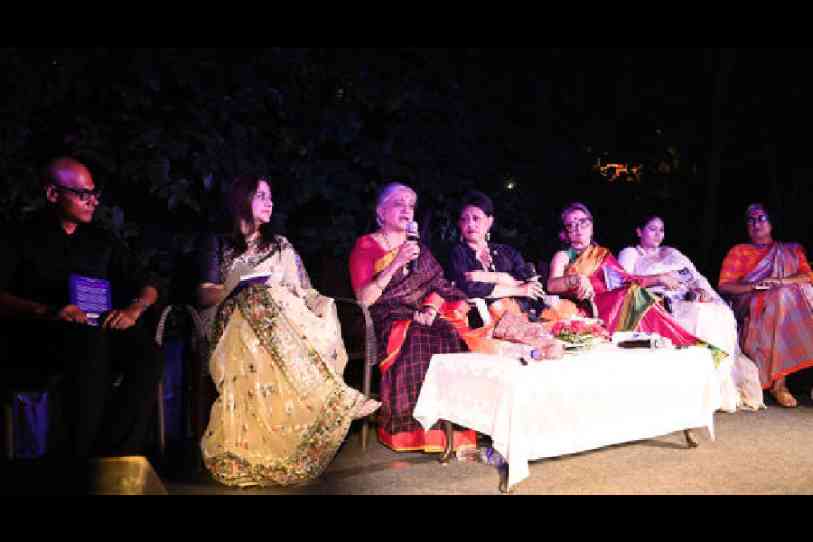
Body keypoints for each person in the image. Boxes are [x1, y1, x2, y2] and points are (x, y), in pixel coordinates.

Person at [197, 176, 379, 487]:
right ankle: (330, 392)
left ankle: (323, 394)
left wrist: (319, 303)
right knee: (256, 296)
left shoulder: (281, 245)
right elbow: (204, 295)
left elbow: (303, 291)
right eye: (261, 196)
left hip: (281, 322)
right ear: (242, 199)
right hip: (231, 323)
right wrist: (234, 285)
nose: (269, 203)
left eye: (270, 196)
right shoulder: (218, 243)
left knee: (273, 297)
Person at [0, 157, 164, 459]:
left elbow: (148, 283)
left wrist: (134, 310)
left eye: (94, 193)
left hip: (96, 330)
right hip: (39, 334)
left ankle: (116, 457)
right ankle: (80, 461)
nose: (93, 201)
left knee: (146, 354)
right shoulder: (20, 236)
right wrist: (45, 311)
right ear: (52, 194)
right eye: (83, 194)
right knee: (89, 347)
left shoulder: (100, 239)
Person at [349, 182, 477, 454]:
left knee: (448, 335)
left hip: (421, 316)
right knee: (419, 339)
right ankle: (411, 432)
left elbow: (439, 286)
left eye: (411, 205)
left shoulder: (419, 248)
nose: (407, 210)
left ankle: (449, 433)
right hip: (383, 319)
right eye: (399, 203)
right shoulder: (367, 245)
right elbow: (364, 299)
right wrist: (396, 262)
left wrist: (431, 308)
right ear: (381, 211)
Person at [618, 215, 764, 411]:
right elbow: (624, 282)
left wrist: (701, 291)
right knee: (700, 316)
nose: (658, 234)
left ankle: (716, 390)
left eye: (661, 230)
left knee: (719, 313)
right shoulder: (631, 253)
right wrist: (658, 278)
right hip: (657, 303)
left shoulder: (671, 253)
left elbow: (695, 278)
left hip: (685, 299)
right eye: (652, 229)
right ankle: (698, 392)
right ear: (639, 231)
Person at [547, 203, 708, 349]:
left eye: (583, 222)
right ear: (564, 234)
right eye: (571, 225)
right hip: (590, 309)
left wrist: (659, 278)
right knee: (632, 295)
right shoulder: (563, 256)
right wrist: (577, 279)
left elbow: (625, 280)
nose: (578, 228)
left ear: (592, 227)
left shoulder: (602, 254)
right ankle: (677, 343)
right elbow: (551, 285)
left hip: (613, 302)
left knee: (640, 294)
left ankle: (675, 342)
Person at [447, 190, 563, 359]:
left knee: (562, 330)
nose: (470, 224)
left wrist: (492, 277)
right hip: (486, 322)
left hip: (524, 313)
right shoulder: (458, 253)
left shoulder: (506, 251)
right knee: (546, 347)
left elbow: (531, 282)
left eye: (476, 218)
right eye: (464, 219)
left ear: (489, 221)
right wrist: (518, 289)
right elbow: (469, 288)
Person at [718, 203, 813, 408]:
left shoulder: (791, 250)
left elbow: (807, 276)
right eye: (750, 220)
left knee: (795, 295)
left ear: (772, 223)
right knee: (779, 298)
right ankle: (779, 384)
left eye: (761, 218)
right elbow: (725, 286)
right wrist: (755, 286)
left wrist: (780, 281)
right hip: (750, 302)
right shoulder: (739, 251)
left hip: (787, 302)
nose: (755, 223)